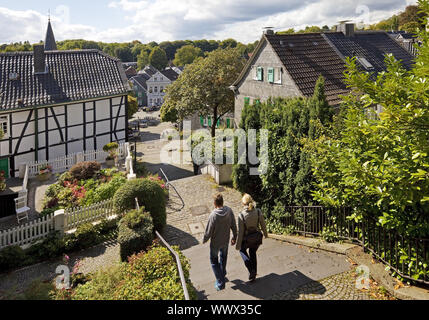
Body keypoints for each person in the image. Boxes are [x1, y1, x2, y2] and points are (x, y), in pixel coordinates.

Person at [203, 194, 237, 291]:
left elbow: (208, 231)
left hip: (215, 243)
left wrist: (204, 240)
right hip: (225, 240)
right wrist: (235, 236)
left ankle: (221, 282)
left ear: (214, 203)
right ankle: (223, 272)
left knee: (214, 261)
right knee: (223, 257)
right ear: (222, 202)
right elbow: (234, 225)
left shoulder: (213, 215)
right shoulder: (229, 211)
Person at [236, 194, 268, 282]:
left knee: (242, 250)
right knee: (252, 252)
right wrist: (265, 234)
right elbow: (263, 224)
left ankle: (251, 270)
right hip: (257, 237)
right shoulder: (258, 211)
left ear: (243, 203)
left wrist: (238, 245)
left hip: (246, 239)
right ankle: (254, 273)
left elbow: (241, 232)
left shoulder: (241, 215)